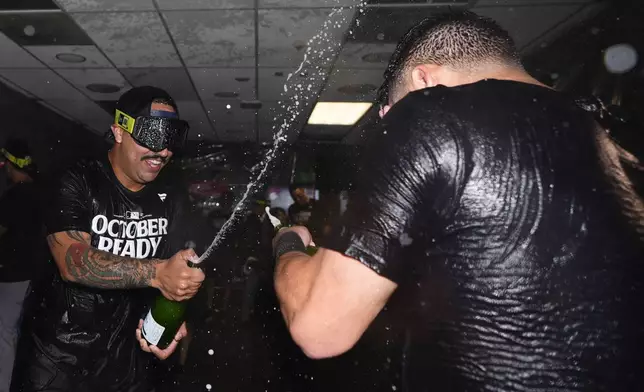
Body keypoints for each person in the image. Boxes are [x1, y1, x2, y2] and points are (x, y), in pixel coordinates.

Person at [272, 11, 644, 391]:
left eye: (391, 113)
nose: (389, 127)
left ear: (424, 79)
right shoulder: (613, 134)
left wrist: (288, 244)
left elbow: (320, 328)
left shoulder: (430, 110)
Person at [11, 86, 206, 392]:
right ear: (119, 131)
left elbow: (175, 268)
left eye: (170, 140)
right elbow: (71, 260)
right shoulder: (76, 178)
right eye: (151, 136)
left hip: (127, 357)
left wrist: (170, 321)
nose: (162, 151)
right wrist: (156, 273)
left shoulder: (172, 195)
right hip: (58, 357)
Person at [0, 139, 47, 392]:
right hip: (34, 275)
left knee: (4, 333)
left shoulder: (13, 196)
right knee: (19, 332)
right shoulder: (40, 192)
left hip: (12, 276)